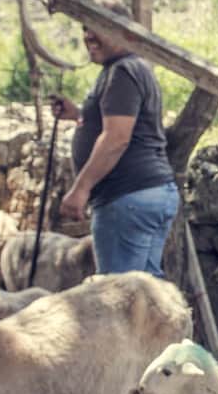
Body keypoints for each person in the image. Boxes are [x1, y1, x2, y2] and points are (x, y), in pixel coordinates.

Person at [51, 16, 178, 277]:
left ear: (122, 31)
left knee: (120, 298)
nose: (88, 36)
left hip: (126, 197)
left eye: (97, 27)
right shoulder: (131, 68)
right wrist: (78, 115)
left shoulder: (122, 72)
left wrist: (80, 189)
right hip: (147, 193)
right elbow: (126, 125)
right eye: (85, 28)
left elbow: (117, 138)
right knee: (145, 294)